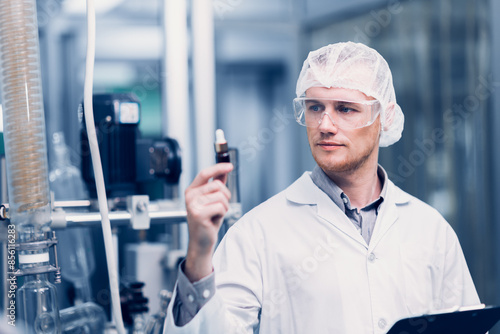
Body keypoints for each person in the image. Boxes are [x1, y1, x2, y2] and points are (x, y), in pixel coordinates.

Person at [164, 42, 480, 333]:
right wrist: (200, 254)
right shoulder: (258, 232)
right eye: (315, 107)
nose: (325, 125)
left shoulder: (430, 229)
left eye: (345, 109)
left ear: (385, 117)